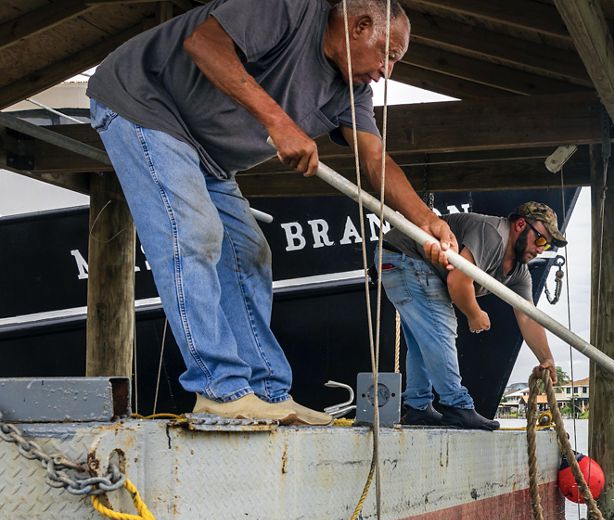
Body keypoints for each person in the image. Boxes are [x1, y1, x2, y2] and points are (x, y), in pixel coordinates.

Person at [85, 0, 458, 425]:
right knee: (195, 233)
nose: (386, 71)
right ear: (361, 26)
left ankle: (267, 393)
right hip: (145, 104)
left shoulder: (352, 92)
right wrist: (279, 122)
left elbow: (374, 161)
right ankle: (220, 390)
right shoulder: (291, 7)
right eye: (389, 54)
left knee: (249, 253)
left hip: (208, 155)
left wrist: (426, 222)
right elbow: (203, 43)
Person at [380, 202, 566, 430]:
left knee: (422, 340)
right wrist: (474, 313)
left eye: (546, 245)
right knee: (441, 327)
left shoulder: (519, 272)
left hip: (399, 258)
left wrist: (546, 359)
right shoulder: (494, 235)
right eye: (540, 240)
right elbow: (458, 280)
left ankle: (418, 407)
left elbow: (528, 316)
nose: (541, 249)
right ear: (520, 225)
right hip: (405, 255)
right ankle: (456, 405)